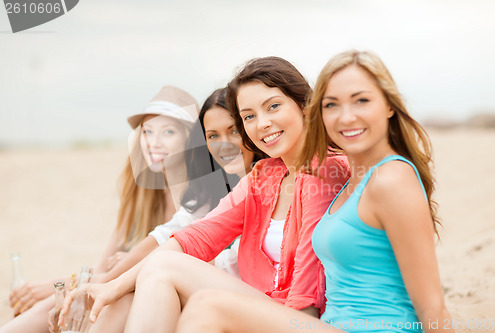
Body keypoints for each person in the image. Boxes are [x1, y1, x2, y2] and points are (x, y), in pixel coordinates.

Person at [58, 56, 350, 333]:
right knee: (145, 278)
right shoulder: (265, 175)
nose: (261, 123)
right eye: (249, 116)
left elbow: (309, 286)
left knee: (165, 267)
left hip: (301, 319)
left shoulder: (326, 170)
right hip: (267, 305)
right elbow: (195, 236)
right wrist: (111, 286)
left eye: (273, 107)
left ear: (304, 105)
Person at [174, 50, 455, 333]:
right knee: (199, 302)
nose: (346, 117)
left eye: (361, 100)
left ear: (389, 106)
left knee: (207, 307)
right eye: (332, 105)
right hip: (332, 326)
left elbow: (432, 307)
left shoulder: (391, 179)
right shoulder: (349, 180)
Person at [0, 85, 198, 333]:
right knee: (60, 304)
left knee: (115, 300)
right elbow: (103, 268)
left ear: (192, 139)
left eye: (168, 132)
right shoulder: (143, 194)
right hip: (123, 289)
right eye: (147, 132)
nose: (153, 143)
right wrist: (60, 287)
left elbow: (178, 259)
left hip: (168, 299)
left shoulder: (197, 197)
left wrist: (57, 284)